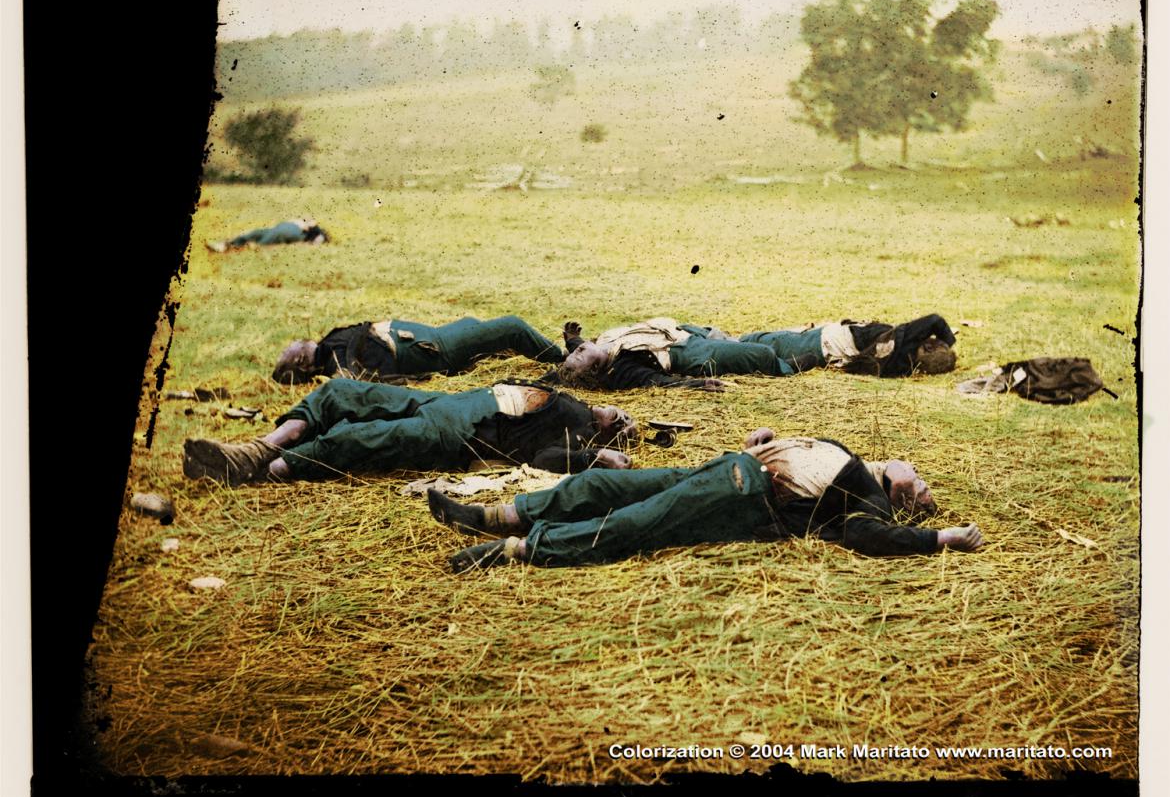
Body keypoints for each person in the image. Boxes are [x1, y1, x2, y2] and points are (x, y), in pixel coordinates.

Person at [430, 427, 984, 572]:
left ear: (902, 496)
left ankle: (517, 550)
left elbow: (870, 537)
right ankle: (490, 515)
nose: (925, 483)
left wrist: (939, 537)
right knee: (605, 485)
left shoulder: (870, 499)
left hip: (741, 494)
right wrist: (765, 441)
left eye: (924, 492)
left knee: (636, 521)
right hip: (727, 467)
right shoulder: (851, 456)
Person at [182, 377, 637, 485]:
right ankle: (262, 445)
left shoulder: (576, 437)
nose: (619, 415)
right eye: (622, 413)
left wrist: (598, 458)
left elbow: (544, 463)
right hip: (446, 401)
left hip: (461, 436)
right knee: (342, 392)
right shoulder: (571, 397)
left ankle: (257, 470)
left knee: (359, 440)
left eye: (621, 426)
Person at [273, 315, 566, 385]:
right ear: (301, 361)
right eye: (294, 347)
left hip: (440, 336)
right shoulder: (340, 366)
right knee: (512, 327)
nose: (297, 341)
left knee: (477, 326)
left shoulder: (332, 346)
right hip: (441, 348)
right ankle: (566, 360)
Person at [551, 317, 797, 391]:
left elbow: (580, 350)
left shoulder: (601, 344)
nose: (573, 354)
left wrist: (573, 341)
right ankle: (792, 365)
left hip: (685, 330)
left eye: (572, 353)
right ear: (595, 370)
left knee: (749, 339)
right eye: (577, 356)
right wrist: (697, 384)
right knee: (762, 355)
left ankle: (794, 341)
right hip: (689, 350)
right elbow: (660, 382)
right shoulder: (623, 369)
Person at [739, 314, 957, 377]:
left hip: (820, 342)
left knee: (762, 342)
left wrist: (949, 343)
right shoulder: (901, 368)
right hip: (825, 349)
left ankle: (720, 340)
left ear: (928, 347)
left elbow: (935, 320)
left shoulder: (906, 339)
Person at [206, 218, 330, 252]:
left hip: (286, 230)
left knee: (259, 237)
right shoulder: (313, 228)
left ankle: (229, 246)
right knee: (255, 234)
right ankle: (228, 245)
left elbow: (316, 242)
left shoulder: (317, 233)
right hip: (282, 229)